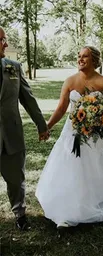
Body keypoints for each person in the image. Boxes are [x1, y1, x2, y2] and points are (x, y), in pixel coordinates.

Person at [36, 46, 103, 229]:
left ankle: (94, 192)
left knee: (95, 163)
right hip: (73, 131)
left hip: (96, 133)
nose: (80, 59)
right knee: (72, 162)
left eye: (85, 56)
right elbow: (62, 108)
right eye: (79, 56)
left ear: (94, 60)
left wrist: (95, 121)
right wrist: (47, 126)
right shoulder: (70, 81)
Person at [0, 27, 49, 231]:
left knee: (16, 178)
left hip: (11, 133)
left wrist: (41, 124)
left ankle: (19, 214)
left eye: (5, 39)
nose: (5, 43)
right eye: (1, 39)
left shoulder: (13, 67)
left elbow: (28, 98)